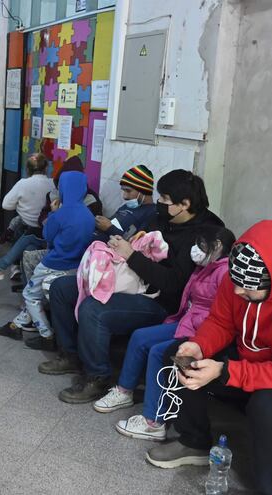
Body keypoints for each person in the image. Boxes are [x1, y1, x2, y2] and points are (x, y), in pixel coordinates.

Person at [146, 220, 272, 495]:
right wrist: (199, 345)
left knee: (270, 406)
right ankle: (194, 440)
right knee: (179, 356)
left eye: (247, 288)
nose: (238, 292)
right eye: (236, 283)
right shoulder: (238, 280)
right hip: (254, 360)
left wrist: (225, 371)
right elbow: (221, 322)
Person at [39, 169, 224, 403]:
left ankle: (98, 377)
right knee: (62, 288)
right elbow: (139, 242)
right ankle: (70, 355)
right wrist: (121, 246)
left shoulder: (206, 234)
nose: (159, 202)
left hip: (162, 303)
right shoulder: (162, 218)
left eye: (165, 199)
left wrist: (131, 256)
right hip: (133, 281)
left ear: (185, 204)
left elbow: (174, 283)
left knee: (93, 309)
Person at [93, 226, 234, 441]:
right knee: (140, 337)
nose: (196, 249)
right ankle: (124, 391)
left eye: (202, 245)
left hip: (202, 331)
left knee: (159, 352)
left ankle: (153, 422)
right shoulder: (205, 267)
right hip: (187, 322)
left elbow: (219, 315)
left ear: (218, 246)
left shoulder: (224, 273)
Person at [0, 171, 95, 351]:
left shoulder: (61, 213)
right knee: (36, 293)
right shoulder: (88, 215)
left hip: (54, 263)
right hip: (76, 265)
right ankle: (16, 326)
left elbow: (47, 235)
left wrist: (53, 213)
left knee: (30, 295)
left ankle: (46, 335)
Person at [0, 153, 55, 280]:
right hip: (47, 229)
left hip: (32, 229)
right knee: (29, 245)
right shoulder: (52, 184)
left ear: (27, 169)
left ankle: (6, 267)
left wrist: (21, 207)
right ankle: (21, 273)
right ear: (46, 168)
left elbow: (6, 205)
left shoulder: (23, 184)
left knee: (20, 229)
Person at [95, 165, 156, 242]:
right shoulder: (127, 206)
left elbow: (136, 244)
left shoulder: (152, 213)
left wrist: (109, 228)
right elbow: (112, 222)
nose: (124, 196)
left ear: (143, 191)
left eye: (128, 191)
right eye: (124, 191)